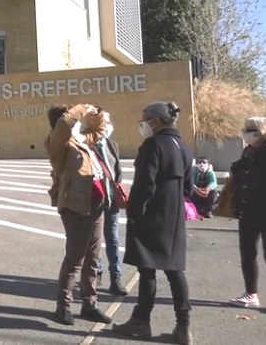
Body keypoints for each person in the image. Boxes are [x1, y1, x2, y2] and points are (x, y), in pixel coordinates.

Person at [112, 101, 194, 345]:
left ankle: (141, 321)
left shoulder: (153, 144)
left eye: (145, 118)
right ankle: (183, 326)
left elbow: (145, 184)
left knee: (147, 270)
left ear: (156, 121)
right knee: (175, 271)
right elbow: (188, 187)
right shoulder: (183, 146)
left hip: (151, 215)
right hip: (174, 216)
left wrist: (135, 212)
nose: (142, 123)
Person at [45, 104, 112, 326]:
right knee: (75, 258)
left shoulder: (81, 139)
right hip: (76, 206)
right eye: (74, 118)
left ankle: (89, 304)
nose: (78, 122)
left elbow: (99, 130)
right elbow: (65, 124)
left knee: (93, 257)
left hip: (96, 204)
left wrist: (97, 112)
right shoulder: (59, 143)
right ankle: (63, 306)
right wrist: (81, 107)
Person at [227, 117, 266, 313]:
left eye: (249, 129)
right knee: (247, 252)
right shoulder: (248, 151)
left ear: (261, 131)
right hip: (247, 210)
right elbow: (240, 170)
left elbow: (260, 176)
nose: (245, 132)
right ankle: (250, 293)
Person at [87, 110, 129, 296]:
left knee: (112, 237)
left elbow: (117, 170)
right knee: (94, 239)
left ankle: (116, 277)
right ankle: (96, 273)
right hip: (94, 199)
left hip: (112, 200)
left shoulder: (112, 145)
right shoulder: (86, 146)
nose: (109, 126)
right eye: (106, 122)